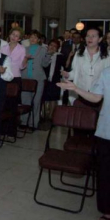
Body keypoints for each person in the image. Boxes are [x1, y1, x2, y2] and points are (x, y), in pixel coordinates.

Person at [58, 72, 110, 220]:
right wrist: (76, 89)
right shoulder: (107, 73)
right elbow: (96, 97)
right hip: (106, 131)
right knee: (105, 173)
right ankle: (107, 212)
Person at [62, 27, 110, 104]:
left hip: (99, 95)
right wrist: (67, 75)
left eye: (93, 36)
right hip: (80, 93)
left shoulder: (106, 56)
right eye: (88, 36)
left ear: (100, 39)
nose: (90, 38)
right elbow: (75, 72)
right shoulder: (79, 54)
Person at [21, 30, 51, 129]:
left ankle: (33, 123)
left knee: (36, 101)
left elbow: (45, 64)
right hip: (25, 77)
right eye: (31, 37)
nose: (33, 39)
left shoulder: (43, 50)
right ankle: (24, 122)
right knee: (25, 100)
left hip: (38, 78)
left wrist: (48, 56)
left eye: (35, 37)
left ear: (38, 39)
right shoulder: (24, 49)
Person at [42, 39, 65, 118]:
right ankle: (43, 115)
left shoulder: (60, 56)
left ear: (57, 48)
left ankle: (52, 116)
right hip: (44, 79)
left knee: (53, 98)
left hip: (55, 80)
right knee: (43, 98)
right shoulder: (44, 54)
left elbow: (64, 67)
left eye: (55, 46)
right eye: (51, 45)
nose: (52, 47)